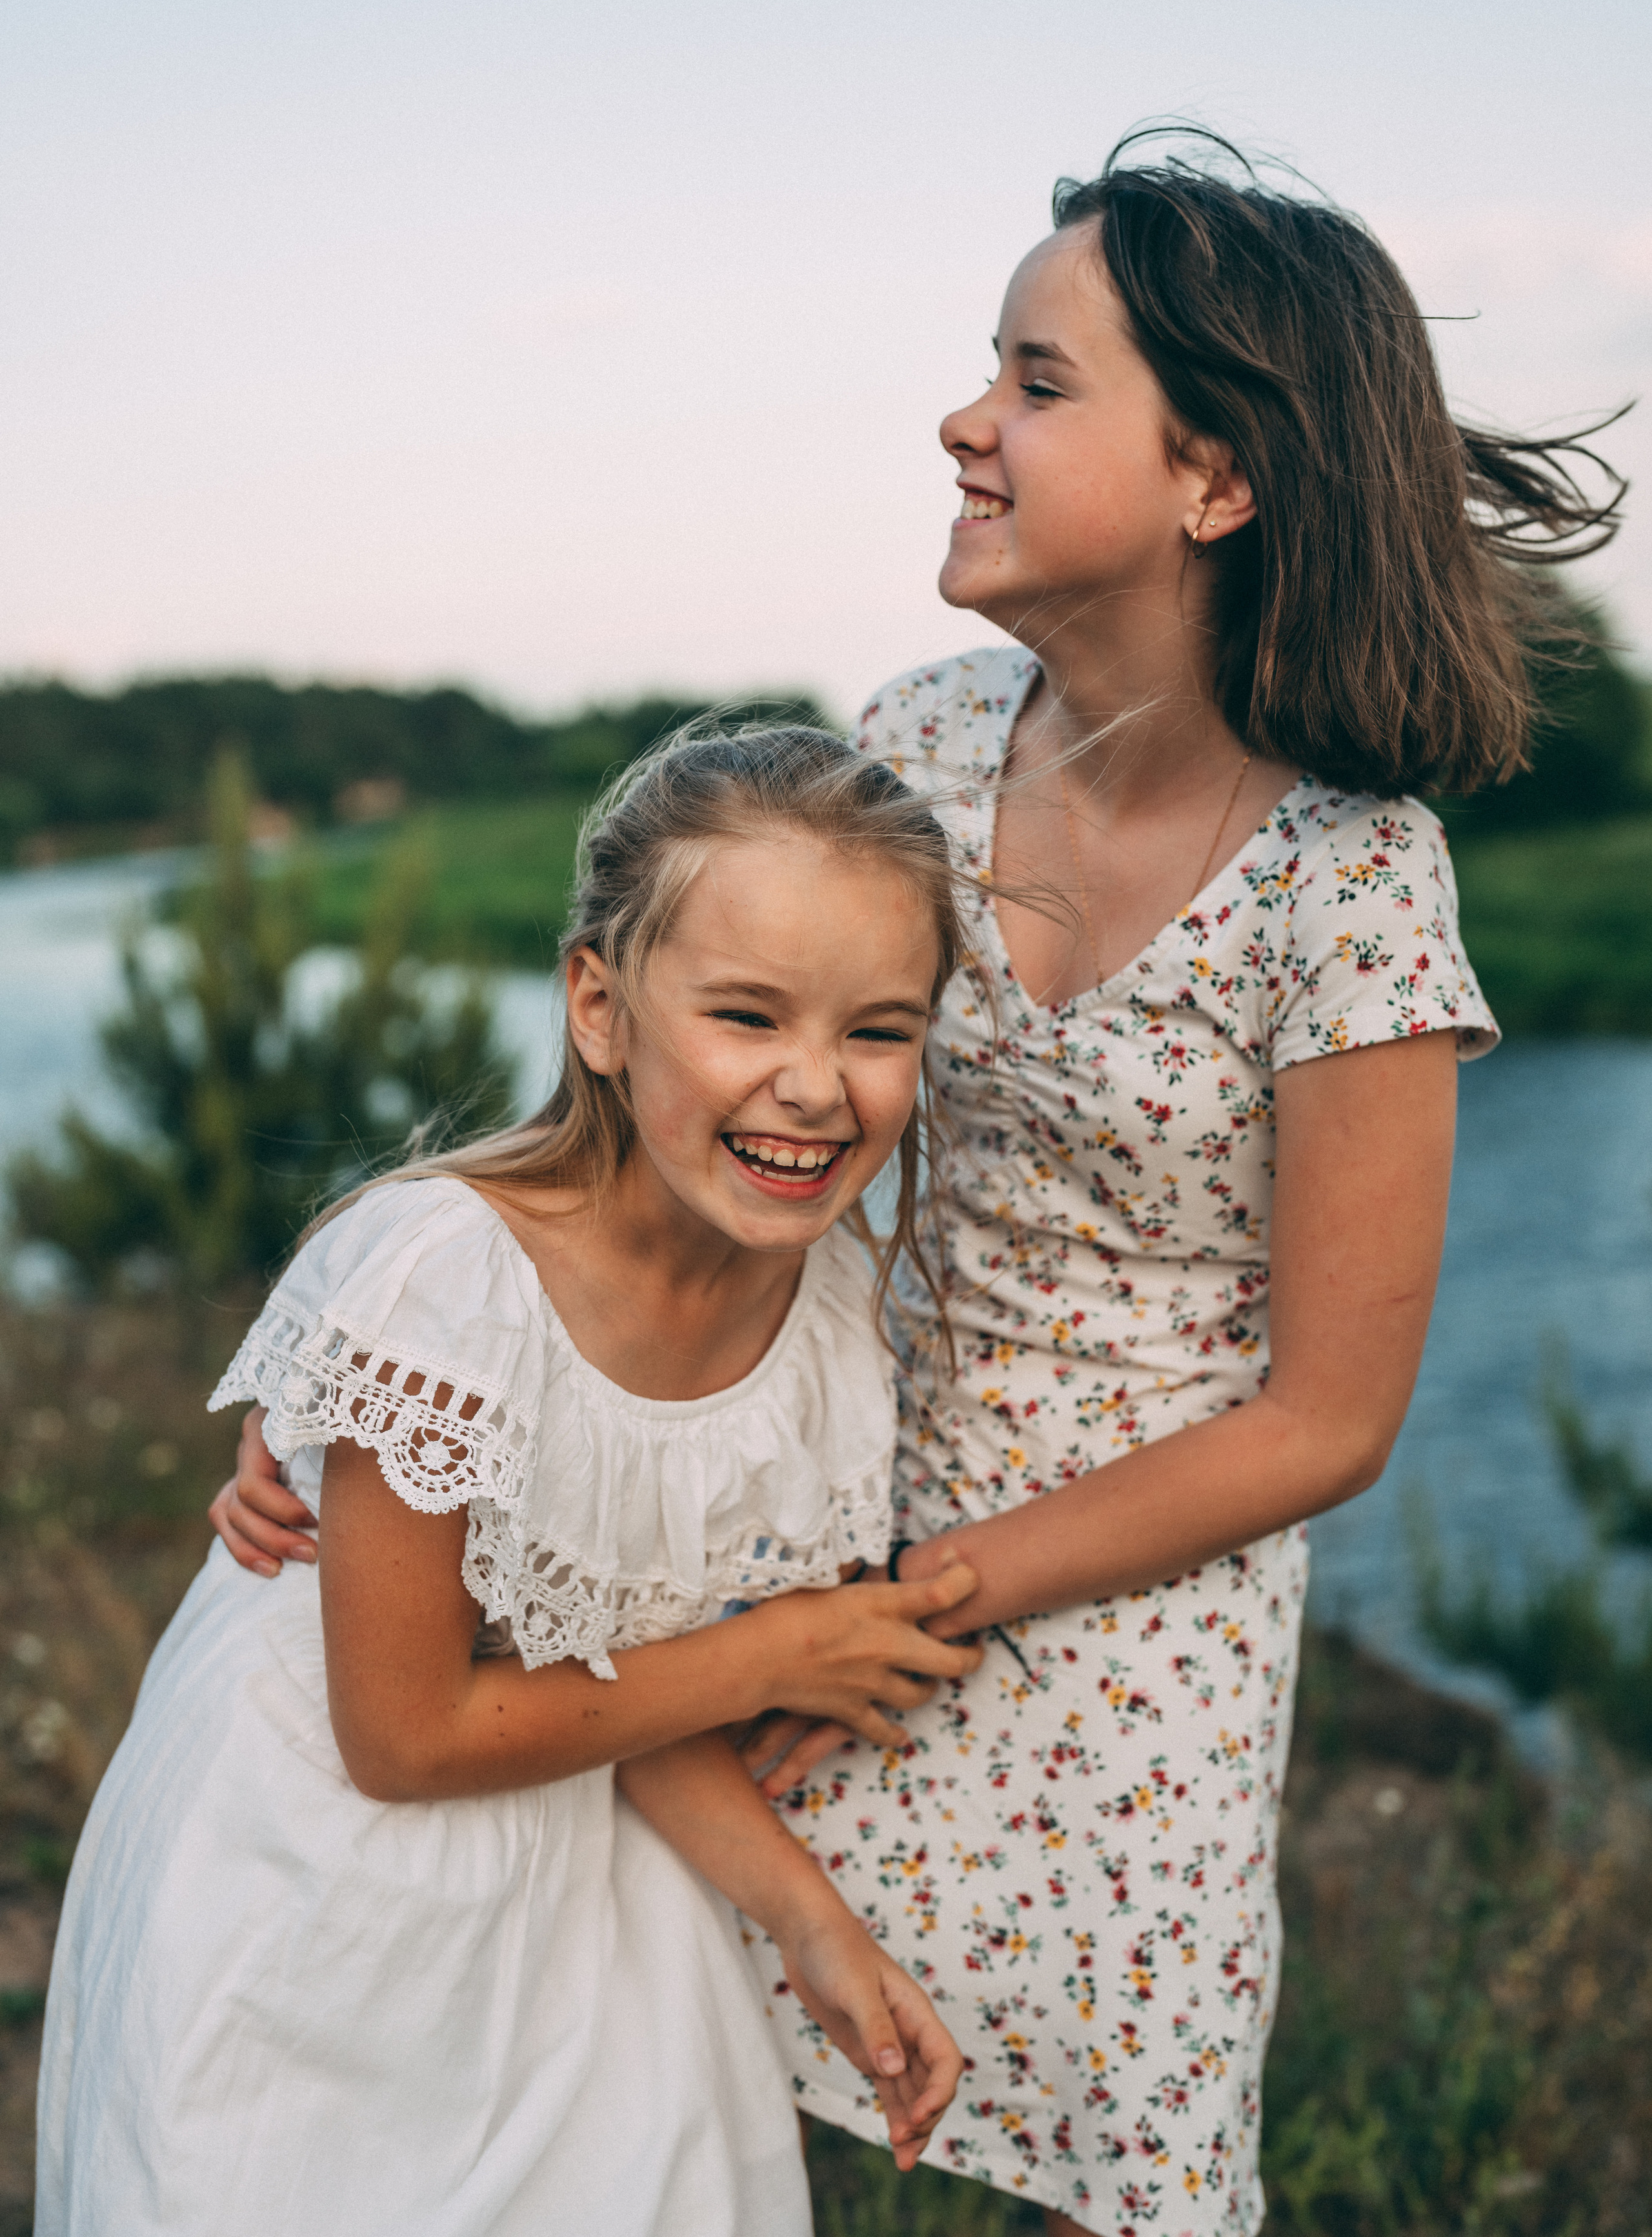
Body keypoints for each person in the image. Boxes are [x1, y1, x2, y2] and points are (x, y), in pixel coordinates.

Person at [215, 132, 1626, 2236]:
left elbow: (1327, 1421)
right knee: (655, 2066)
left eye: (1038, 384)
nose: (965, 418)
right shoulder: (930, 734)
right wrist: (393, 1395)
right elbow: (696, 1113)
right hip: (806, 1501)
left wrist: (886, 1625)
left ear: (1216, 479)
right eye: (992, 369)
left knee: (1115, 2158)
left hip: (1130, 1629)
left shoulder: (1354, 881)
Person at [35, 726, 986, 2237]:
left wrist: (815, 1925)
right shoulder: (444, 1284)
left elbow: (609, 1654)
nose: (815, 1087)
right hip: (317, 1891)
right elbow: (406, 1731)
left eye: (880, 1031)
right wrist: (777, 1652)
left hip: (590, 1872)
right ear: (599, 1009)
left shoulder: (830, 1313)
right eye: (745, 1015)